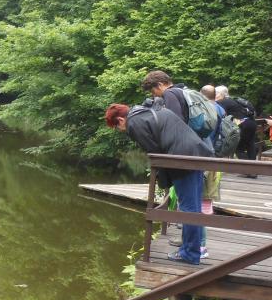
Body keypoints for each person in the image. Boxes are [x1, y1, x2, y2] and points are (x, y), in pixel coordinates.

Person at [105, 102, 212, 264]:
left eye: (116, 127)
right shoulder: (146, 111)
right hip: (194, 153)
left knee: (188, 209)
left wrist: (162, 179)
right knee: (194, 207)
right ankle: (192, 250)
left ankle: (190, 254)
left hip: (182, 160)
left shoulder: (134, 123)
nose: (120, 130)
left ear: (120, 120)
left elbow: (154, 153)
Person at [215, 85, 259, 162]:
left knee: (238, 149)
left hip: (243, 125)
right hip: (251, 123)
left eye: (216, 93)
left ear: (221, 94)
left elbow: (220, 115)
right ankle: (254, 166)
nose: (215, 95)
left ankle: (248, 166)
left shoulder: (223, 102)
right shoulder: (233, 100)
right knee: (250, 144)